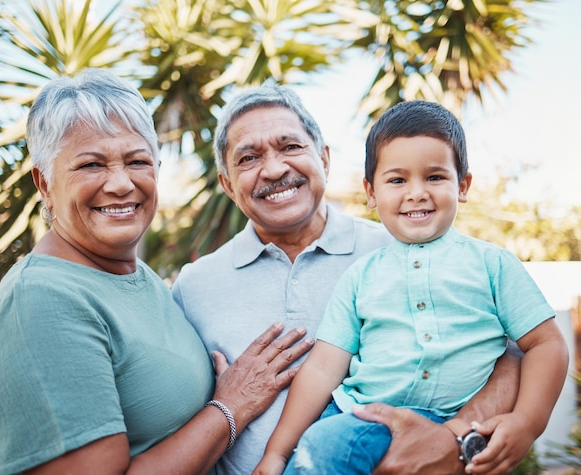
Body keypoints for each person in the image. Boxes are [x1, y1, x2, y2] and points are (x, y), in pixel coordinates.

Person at [0, 69, 314, 475]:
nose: (120, 183)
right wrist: (231, 407)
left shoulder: (139, 278)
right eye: (91, 164)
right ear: (44, 183)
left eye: (137, 161)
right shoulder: (42, 299)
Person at [171, 83, 526, 475]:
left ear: (324, 158)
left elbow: (509, 355)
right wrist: (231, 405)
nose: (273, 169)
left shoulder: (404, 249)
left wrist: (456, 440)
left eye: (290, 147)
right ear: (227, 185)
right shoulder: (193, 286)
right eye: (249, 157)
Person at [254, 100, 569, 475]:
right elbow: (323, 369)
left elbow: (546, 344)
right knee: (322, 447)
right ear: (371, 193)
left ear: (463, 185)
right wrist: (276, 452)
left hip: (454, 423)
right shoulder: (360, 276)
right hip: (364, 419)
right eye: (397, 180)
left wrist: (527, 422)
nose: (416, 192)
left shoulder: (493, 265)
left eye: (435, 177)